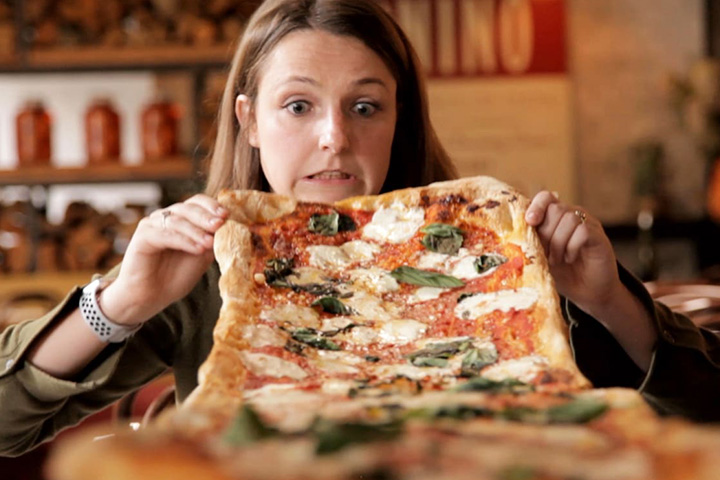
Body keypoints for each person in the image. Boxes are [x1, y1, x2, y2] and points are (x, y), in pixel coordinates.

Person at [1, 0, 719, 458]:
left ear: (399, 116)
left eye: (365, 107)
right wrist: (120, 303)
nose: (334, 138)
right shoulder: (217, 265)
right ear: (249, 120)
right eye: (298, 106)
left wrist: (609, 302)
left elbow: (706, 416)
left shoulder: (497, 259)